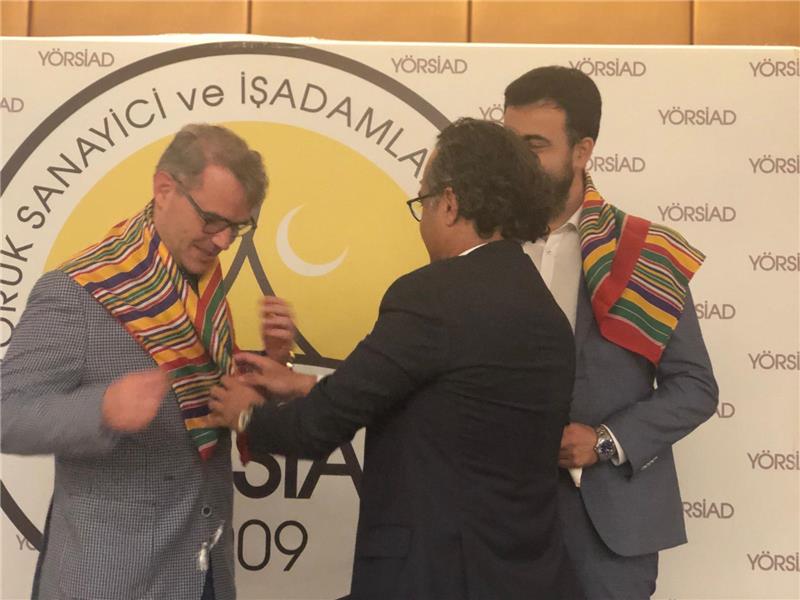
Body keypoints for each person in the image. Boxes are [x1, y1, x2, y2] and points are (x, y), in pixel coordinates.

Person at [208, 118, 583, 600]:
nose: (422, 218)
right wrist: (302, 383)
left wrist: (244, 414)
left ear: (450, 203)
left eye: (423, 202)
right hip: (530, 578)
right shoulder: (547, 310)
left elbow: (316, 428)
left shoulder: (433, 295)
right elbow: (452, 404)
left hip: (435, 579)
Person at [1, 124, 269, 600]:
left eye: (238, 226)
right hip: (110, 581)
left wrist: (263, 377)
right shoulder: (76, 292)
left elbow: (203, 413)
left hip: (204, 575)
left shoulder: (203, 291)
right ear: (164, 189)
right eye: (212, 220)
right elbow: (6, 412)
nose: (225, 241)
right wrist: (101, 409)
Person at [503, 66, 719, 599]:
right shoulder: (484, 245)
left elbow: (694, 387)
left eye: (534, 146)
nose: (516, 163)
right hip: (496, 513)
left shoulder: (644, 251)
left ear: (582, 151)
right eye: (509, 144)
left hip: (609, 526)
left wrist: (603, 442)